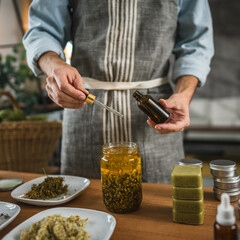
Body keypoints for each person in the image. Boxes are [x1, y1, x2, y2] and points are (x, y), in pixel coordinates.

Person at [23, 0, 214, 183]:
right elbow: (42, 30)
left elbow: (196, 44)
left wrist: (183, 94)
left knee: (157, 207)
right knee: (83, 207)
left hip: (157, 119)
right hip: (83, 116)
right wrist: (54, 66)